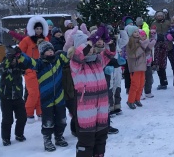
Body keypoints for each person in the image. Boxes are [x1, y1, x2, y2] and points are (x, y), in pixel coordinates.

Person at [70, 25, 116, 157]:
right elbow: (80, 55)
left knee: (101, 140)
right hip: (86, 111)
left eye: (91, 47)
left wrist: (109, 41)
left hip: (101, 108)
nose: (90, 50)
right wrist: (91, 40)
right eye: (85, 47)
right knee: (87, 142)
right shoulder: (76, 65)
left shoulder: (98, 61)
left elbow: (110, 52)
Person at [18, 40, 69, 152]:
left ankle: (59, 137)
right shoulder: (40, 64)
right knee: (48, 121)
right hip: (47, 98)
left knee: (62, 120)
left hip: (59, 96)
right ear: (42, 53)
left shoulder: (58, 60)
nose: (50, 53)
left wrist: (66, 51)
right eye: (47, 51)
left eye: (51, 50)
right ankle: (47, 140)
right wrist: (19, 54)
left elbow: (69, 58)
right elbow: (28, 61)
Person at [18, 15, 49, 122]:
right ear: (33, 29)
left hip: (42, 69)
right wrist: (22, 66)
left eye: (40, 28)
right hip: (30, 70)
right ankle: (28, 113)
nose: (39, 30)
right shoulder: (27, 40)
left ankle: (40, 112)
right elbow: (19, 53)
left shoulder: (46, 39)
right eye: (37, 28)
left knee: (41, 92)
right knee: (33, 92)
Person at [0, 47, 27, 146]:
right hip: (6, 97)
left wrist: (20, 55)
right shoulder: (4, 65)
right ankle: (5, 138)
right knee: (7, 119)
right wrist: (8, 60)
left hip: (18, 96)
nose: (13, 60)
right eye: (11, 58)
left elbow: (25, 67)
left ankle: (19, 134)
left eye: (14, 58)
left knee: (22, 117)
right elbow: (1, 70)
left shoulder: (19, 66)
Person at [126, 25, 148, 109]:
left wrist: (148, 48)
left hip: (142, 66)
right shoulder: (130, 43)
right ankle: (130, 101)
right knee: (135, 84)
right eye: (135, 32)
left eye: (138, 32)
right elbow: (133, 55)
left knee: (141, 84)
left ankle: (137, 99)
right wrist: (142, 47)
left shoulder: (140, 41)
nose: (137, 33)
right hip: (135, 67)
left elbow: (144, 53)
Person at [152, 11, 172, 89]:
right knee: (160, 65)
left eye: (161, 15)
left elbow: (171, 31)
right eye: (158, 15)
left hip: (168, 45)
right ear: (156, 16)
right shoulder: (154, 24)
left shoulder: (167, 23)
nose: (160, 17)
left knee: (173, 62)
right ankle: (163, 82)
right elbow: (151, 34)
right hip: (158, 47)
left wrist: (167, 37)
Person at [140, 28, 157, 98]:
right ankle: (139, 93)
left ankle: (148, 91)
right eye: (141, 36)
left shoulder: (148, 42)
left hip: (148, 64)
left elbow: (151, 44)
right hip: (139, 65)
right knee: (140, 79)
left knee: (149, 78)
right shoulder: (138, 43)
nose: (143, 37)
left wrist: (153, 37)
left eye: (144, 36)